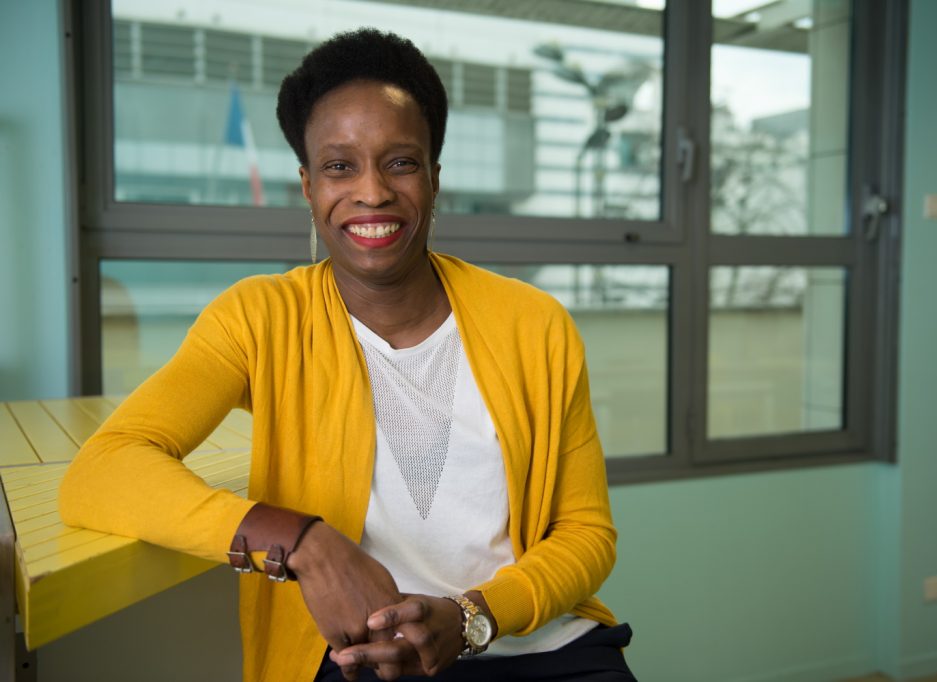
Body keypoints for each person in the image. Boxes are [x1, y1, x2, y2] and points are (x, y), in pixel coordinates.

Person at [59, 28, 634, 682]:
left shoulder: (534, 324)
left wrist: (473, 616)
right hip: (357, 657)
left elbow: (588, 534)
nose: (372, 193)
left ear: (435, 177)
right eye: (339, 166)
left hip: (535, 645)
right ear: (307, 186)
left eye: (400, 162)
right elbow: (103, 471)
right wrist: (303, 543)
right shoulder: (261, 317)